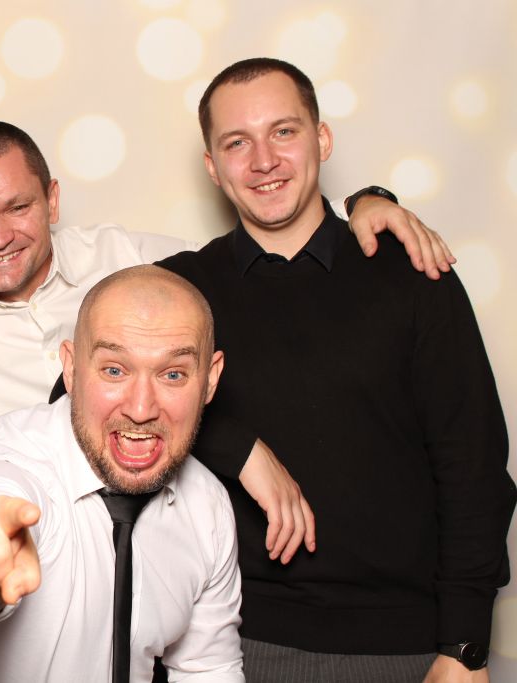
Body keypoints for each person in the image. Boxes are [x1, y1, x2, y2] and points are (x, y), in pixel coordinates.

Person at [0, 119, 453, 563]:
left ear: (52, 200)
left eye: (17, 207)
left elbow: (260, 262)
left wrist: (364, 205)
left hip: (165, 579)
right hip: (6, 592)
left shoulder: (125, 260)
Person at [155, 58, 515, 682]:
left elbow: (473, 464)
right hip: (227, 644)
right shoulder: (183, 289)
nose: (263, 160)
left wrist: (465, 644)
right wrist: (237, 448)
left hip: (403, 648)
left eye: (284, 131)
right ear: (213, 167)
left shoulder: (411, 273)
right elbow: (82, 401)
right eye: (237, 143)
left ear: (321, 139)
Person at [0, 265, 242, 682]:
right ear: (70, 368)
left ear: (210, 380)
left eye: (173, 374)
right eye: (114, 370)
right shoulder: (8, 463)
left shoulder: (207, 504)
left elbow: (207, 667)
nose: (141, 409)